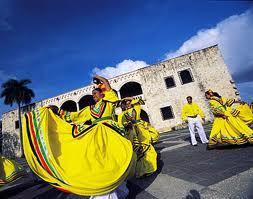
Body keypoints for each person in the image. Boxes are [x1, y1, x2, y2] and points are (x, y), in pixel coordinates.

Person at [22, 75, 134, 198]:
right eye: (92, 95)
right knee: (99, 162)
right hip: (95, 136)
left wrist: (97, 77)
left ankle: (112, 186)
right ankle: (103, 188)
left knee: (112, 161)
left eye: (96, 93)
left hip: (110, 133)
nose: (94, 96)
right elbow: (74, 116)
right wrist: (57, 112)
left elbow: (106, 83)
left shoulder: (110, 100)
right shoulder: (89, 109)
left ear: (102, 94)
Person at [118, 97, 157, 178]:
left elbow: (135, 100)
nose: (127, 104)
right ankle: (141, 171)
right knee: (137, 151)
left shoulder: (136, 107)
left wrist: (125, 98)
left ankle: (149, 168)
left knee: (145, 147)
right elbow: (121, 125)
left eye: (129, 102)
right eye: (125, 103)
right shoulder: (122, 114)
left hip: (141, 130)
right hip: (132, 133)